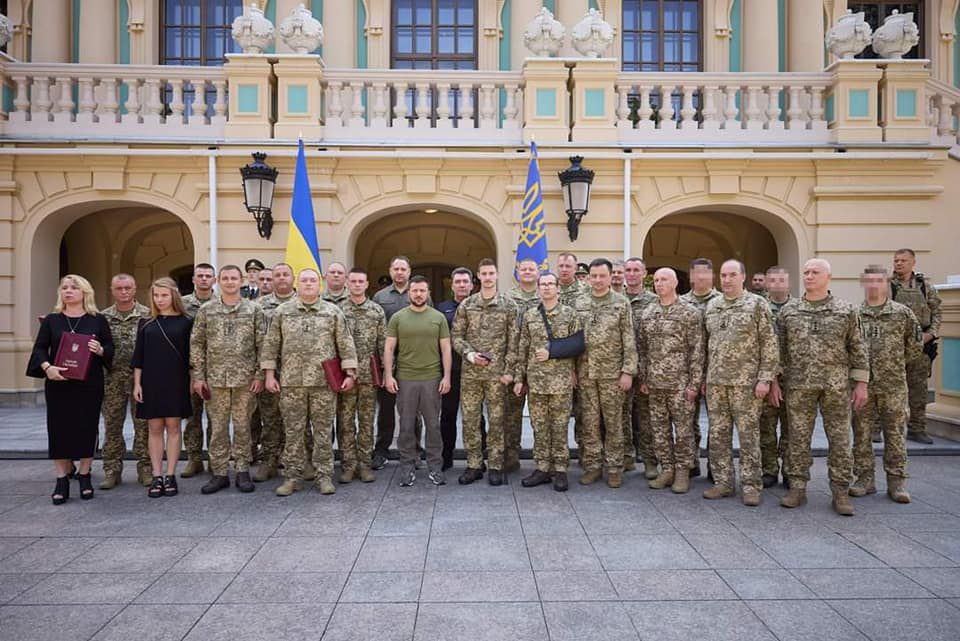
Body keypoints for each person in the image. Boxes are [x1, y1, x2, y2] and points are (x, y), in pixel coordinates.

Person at [777, 258, 868, 516]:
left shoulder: (845, 310)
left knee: (839, 440)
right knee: (797, 438)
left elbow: (858, 347)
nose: (809, 276)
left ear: (828, 277)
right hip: (799, 385)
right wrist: (775, 380)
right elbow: (780, 350)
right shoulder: (789, 311)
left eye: (815, 272)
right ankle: (797, 488)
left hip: (836, 387)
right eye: (806, 272)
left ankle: (840, 492)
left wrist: (861, 383)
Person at [263, 268, 358, 496]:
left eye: (312, 280)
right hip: (291, 383)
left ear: (320, 284)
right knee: (293, 431)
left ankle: (324, 476)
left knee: (323, 431)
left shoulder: (332, 311)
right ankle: (292, 477)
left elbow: (345, 343)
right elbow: (271, 343)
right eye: (304, 280)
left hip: (323, 383)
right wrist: (268, 374)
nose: (308, 284)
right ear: (298, 283)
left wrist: (350, 374)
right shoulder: (283, 312)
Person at [27, 275, 114, 505]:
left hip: (89, 383)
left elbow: (110, 347)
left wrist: (100, 350)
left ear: (85, 292)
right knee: (59, 429)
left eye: (74, 288)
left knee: (87, 427)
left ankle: (84, 474)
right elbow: (39, 349)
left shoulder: (97, 320)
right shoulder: (52, 321)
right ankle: (61, 479)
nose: (68, 291)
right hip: (58, 384)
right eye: (64, 288)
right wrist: (47, 367)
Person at [702, 260, 779, 507]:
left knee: (748, 436)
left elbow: (769, 343)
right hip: (716, 383)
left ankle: (751, 485)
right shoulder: (713, 306)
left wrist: (765, 379)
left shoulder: (757, 305)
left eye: (732, 274)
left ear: (743, 277)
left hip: (746, 384)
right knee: (718, 435)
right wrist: (704, 377)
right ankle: (723, 483)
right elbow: (706, 345)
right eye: (723, 275)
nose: (727, 279)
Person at [190, 265, 265, 495]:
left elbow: (263, 344)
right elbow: (197, 344)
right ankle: (220, 472)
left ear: (241, 280)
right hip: (216, 379)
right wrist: (198, 376)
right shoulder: (207, 310)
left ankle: (242, 469)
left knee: (243, 427)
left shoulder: (254, 310)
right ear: (218, 281)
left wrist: (260, 375)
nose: (230, 282)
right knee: (218, 428)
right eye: (225, 278)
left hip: (245, 380)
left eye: (234, 278)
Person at [851, 266, 921, 503]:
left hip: (893, 386)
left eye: (878, 280)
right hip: (862, 387)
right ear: (863, 283)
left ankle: (897, 483)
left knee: (895, 435)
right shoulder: (854, 314)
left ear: (886, 282)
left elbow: (914, 347)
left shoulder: (902, 313)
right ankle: (864, 479)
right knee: (861, 434)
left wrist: (893, 365)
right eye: (869, 280)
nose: (873, 285)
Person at [637, 268, 704, 494]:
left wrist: (694, 384)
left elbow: (697, 351)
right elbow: (643, 349)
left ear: (675, 282)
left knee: (684, 430)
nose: (659, 283)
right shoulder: (648, 312)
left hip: (680, 384)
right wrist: (644, 377)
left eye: (664, 279)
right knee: (659, 429)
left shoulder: (689, 313)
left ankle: (683, 471)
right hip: (655, 384)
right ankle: (667, 468)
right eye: (656, 280)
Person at [452, 259, 519, 486]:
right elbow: (457, 337)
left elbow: (514, 342)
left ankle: (496, 465)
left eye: (491, 273)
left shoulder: (509, 306)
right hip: (471, 374)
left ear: (497, 275)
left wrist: (509, 371)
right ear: (478, 277)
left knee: (498, 421)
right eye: (484, 274)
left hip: (497, 375)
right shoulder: (467, 305)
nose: (488, 277)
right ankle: (473, 464)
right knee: (470, 420)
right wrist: (469, 354)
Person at [383, 275, 452, 487]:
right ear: (409, 293)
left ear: (428, 292)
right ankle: (407, 468)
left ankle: (434, 467)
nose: (419, 294)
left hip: (431, 379)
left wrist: (447, 376)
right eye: (415, 291)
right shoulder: (398, 318)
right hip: (405, 379)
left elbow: (446, 348)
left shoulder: (438, 317)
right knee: (405, 426)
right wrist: (388, 375)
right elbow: (389, 348)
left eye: (422, 290)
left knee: (433, 426)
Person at [574, 258, 637, 488]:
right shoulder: (579, 302)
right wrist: (572, 370)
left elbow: (629, 339)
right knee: (589, 423)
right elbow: (572, 338)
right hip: (586, 372)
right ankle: (592, 466)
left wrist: (628, 371)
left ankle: (614, 468)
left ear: (611, 277)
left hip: (613, 374)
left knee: (614, 423)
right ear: (589, 277)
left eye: (602, 276)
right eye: (594, 276)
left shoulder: (621, 303)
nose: (598, 280)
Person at [515, 272, 580, 492]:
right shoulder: (531, 315)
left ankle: (560, 470)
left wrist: (554, 354)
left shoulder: (570, 314)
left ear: (558, 289)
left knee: (560, 427)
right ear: (538, 288)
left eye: (551, 284)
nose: (547, 288)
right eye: (543, 285)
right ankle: (542, 467)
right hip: (537, 382)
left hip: (561, 381)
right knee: (539, 427)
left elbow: (578, 345)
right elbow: (523, 347)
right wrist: (519, 378)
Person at [132, 277, 193, 498]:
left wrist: (192, 381)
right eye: (156, 295)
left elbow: (191, 356)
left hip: (176, 379)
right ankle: (156, 476)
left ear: (174, 295)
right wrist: (137, 383)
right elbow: (139, 355)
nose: (160, 300)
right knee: (154, 428)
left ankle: (170, 475)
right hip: (151, 380)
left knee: (174, 427)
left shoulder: (186, 322)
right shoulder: (146, 322)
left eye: (164, 295)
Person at [371, 256, 425, 469]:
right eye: (396, 268)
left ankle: (414, 449)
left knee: (414, 410)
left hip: (413, 361)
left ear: (409, 271)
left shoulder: (419, 294)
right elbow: (376, 329)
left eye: (403, 269)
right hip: (389, 361)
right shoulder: (380, 296)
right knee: (386, 409)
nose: (400, 272)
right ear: (391, 271)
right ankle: (382, 450)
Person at [99, 274, 151, 489]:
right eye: (119, 288)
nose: (124, 292)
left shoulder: (147, 315)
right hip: (112, 379)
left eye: (128, 287)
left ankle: (145, 467)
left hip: (142, 379)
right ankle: (112, 469)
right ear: (112, 290)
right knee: (112, 425)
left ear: (135, 288)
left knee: (144, 425)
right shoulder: (102, 318)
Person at [337, 267, 386, 483]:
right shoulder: (337, 310)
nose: (357, 285)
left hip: (368, 376)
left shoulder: (376, 311)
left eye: (361, 282)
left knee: (366, 422)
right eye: (353, 281)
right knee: (345, 421)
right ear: (347, 283)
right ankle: (349, 465)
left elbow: (383, 343)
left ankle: (365, 464)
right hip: (344, 376)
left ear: (367, 285)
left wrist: (386, 372)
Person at [254, 263, 300, 482]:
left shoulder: (305, 302)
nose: (282, 278)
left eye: (285, 274)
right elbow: (254, 341)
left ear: (293, 278)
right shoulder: (259, 306)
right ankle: (269, 460)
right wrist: (261, 373)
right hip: (270, 370)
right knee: (270, 418)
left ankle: (298, 460)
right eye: (277, 275)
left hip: (299, 372)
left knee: (298, 420)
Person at [891, 248, 942, 444]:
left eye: (903, 260)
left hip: (920, 346)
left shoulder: (925, 287)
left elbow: (937, 312)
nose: (899, 263)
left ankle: (917, 428)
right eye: (896, 260)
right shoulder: (887, 286)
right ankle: (877, 428)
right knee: (884, 389)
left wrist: (930, 334)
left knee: (919, 390)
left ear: (913, 263)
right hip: (892, 347)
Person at [680, 258, 721, 479]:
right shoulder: (682, 302)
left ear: (712, 276)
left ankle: (716, 467)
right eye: (698, 274)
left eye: (706, 274)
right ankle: (691, 461)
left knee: (717, 423)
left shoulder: (722, 301)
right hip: (688, 371)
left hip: (717, 370)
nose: (702, 278)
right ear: (691, 276)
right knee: (688, 420)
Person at [437, 267, 481, 471]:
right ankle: (446, 457)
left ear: (472, 285)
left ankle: (479, 460)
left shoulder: (482, 306)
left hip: (477, 370)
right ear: (452, 285)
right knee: (448, 415)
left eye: (466, 281)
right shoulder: (441, 309)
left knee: (476, 416)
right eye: (458, 282)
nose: (462, 285)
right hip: (452, 370)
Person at [505, 257, 542, 472]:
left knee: (541, 418)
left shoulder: (547, 294)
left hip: (541, 366)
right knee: (511, 415)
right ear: (517, 272)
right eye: (523, 269)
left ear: (538, 272)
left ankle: (543, 461)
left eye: (531, 269)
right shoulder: (507, 298)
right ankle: (511, 457)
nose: (527, 272)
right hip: (514, 361)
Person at [624, 257, 659, 478]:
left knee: (646, 418)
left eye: (637, 270)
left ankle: (649, 461)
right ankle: (626, 458)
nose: (632, 274)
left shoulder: (655, 301)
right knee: (622, 416)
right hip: (622, 369)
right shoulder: (616, 300)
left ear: (644, 273)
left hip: (647, 368)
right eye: (628, 270)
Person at [181, 263, 216, 478]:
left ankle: (215, 458)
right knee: (192, 416)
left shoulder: (221, 303)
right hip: (188, 368)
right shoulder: (182, 304)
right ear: (194, 279)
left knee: (216, 417)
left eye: (208, 276)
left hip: (215, 368)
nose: (204, 279)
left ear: (214, 280)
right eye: (200, 276)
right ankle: (194, 458)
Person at [759, 266, 792, 488]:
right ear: (767, 283)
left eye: (781, 279)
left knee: (793, 428)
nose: (777, 283)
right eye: (773, 280)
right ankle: (769, 470)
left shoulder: (799, 308)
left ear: (788, 282)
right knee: (766, 427)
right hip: (766, 377)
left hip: (795, 380)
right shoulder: (759, 308)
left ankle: (791, 470)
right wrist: (771, 380)